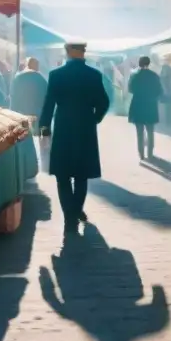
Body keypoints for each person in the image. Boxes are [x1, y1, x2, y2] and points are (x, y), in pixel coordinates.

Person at [39, 41, 111, 234]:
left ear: (68, 52)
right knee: (81, 174)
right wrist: (94, 119)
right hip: (85, 128)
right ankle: (76, 210)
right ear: (82, 53)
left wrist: (44, 126)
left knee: (62, 176)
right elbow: (104, 102)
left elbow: (48, 104)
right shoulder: (94, 75)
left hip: (63, 127)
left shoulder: (56, 75)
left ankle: (69, 217)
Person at [127, 56, 163, 160]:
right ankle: (150, 154)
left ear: (139, 63)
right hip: (150, 105)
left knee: (139, 132)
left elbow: (130, 89)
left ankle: (141, 154)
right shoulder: (154, 76)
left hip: (137, 105)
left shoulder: (134, 76)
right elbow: (159, 91)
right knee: (150, 131)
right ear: (149, 63)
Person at [11, 57, 48, 122]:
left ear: (27, 65)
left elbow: (14, 97)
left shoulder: (19, 78)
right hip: (37, 114)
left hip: (21, 113)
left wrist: (13, 113)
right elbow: (46, 97)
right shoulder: (41, 79)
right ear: (37, 67)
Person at [159, 58, 171, 132]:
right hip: (170, 92)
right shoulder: (170, 70)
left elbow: (162, 81)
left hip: (166, 92)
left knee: (168, 108)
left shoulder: (164, 69)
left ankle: (169, 122)